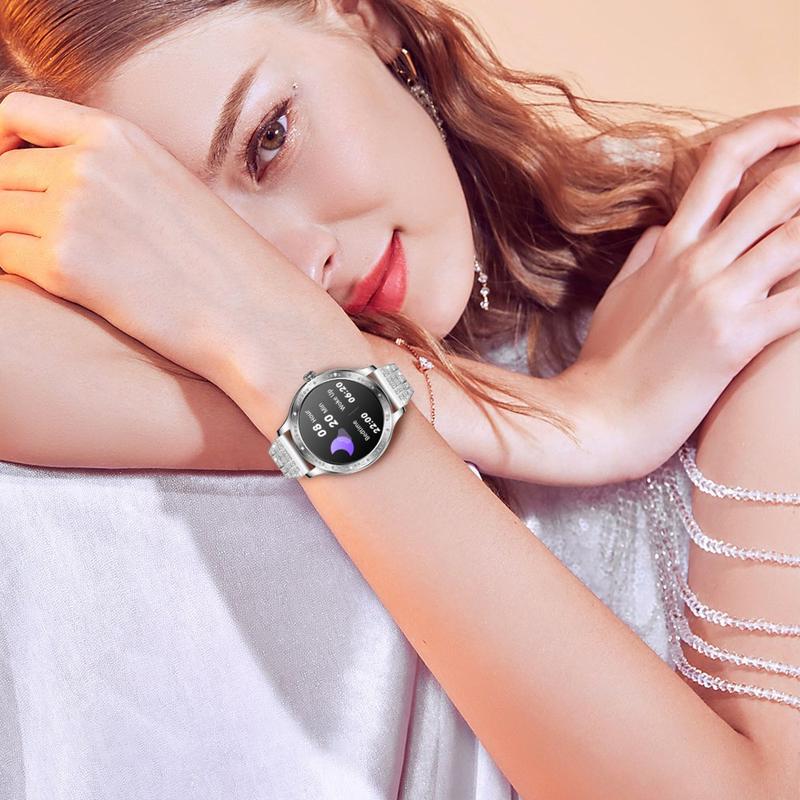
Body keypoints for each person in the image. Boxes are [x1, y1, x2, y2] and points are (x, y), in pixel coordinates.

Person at [0, 1, 797, 798]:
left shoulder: (744, 241)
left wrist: (287, 355)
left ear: (358, 16)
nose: (299, 266)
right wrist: (561, 421)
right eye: (199, 253)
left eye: (269, 140)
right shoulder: (237, 360)